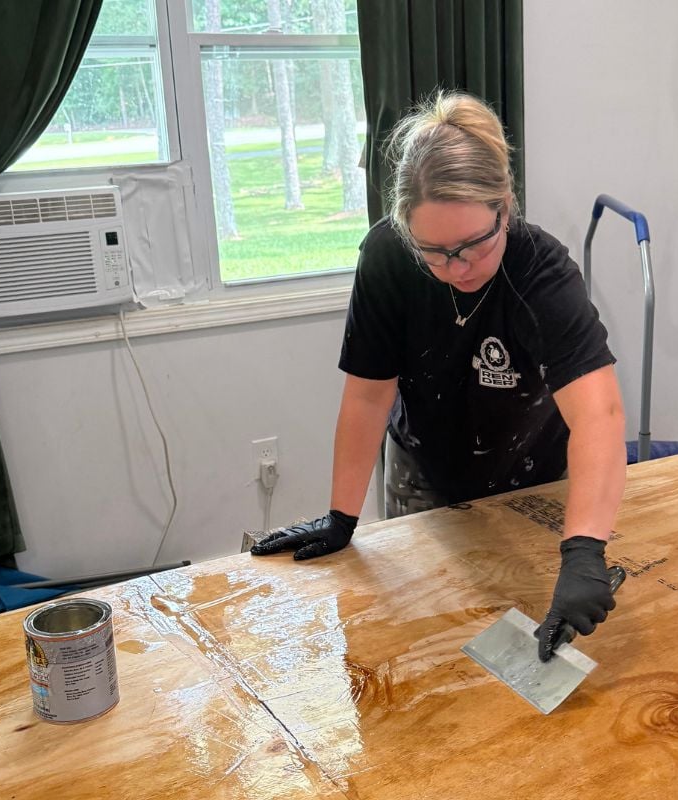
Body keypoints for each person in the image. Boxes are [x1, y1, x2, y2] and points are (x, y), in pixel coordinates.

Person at [251, 90, 626, 662]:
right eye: (434, 251)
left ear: (505, 207)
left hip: (533, 474)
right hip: (423, 468)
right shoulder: (387, 258)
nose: (457, 268)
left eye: (474, 244)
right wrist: (342, 517)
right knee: (427, 639)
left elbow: (599, 415)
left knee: (523, 621)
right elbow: (368, 397)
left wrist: (583, 553)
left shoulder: (541, 272)